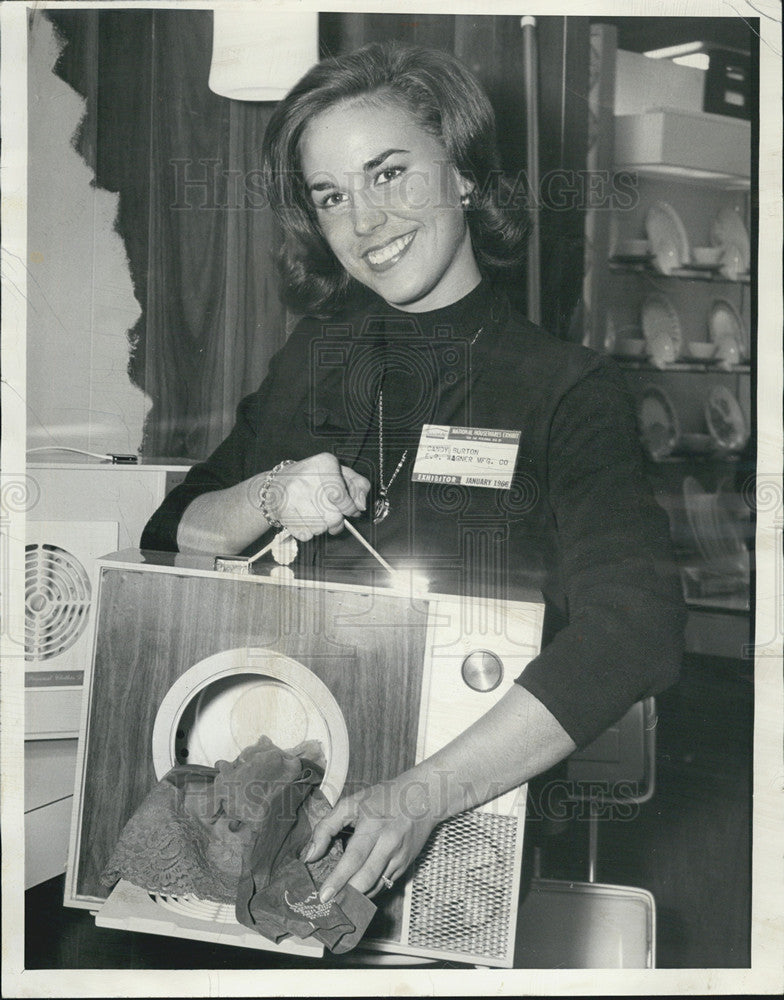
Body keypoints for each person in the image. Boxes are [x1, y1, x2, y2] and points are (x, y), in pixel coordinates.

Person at [141, 42, 685, 908]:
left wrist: (421, 795)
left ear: (465, 172)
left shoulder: (565, 389)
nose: (364, 223)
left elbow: (636, 628)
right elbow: (175, 527)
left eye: (390, 174)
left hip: (464, 831)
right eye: (332, 195)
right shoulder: (311, 357)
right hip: (281, 820)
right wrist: (272, 493)